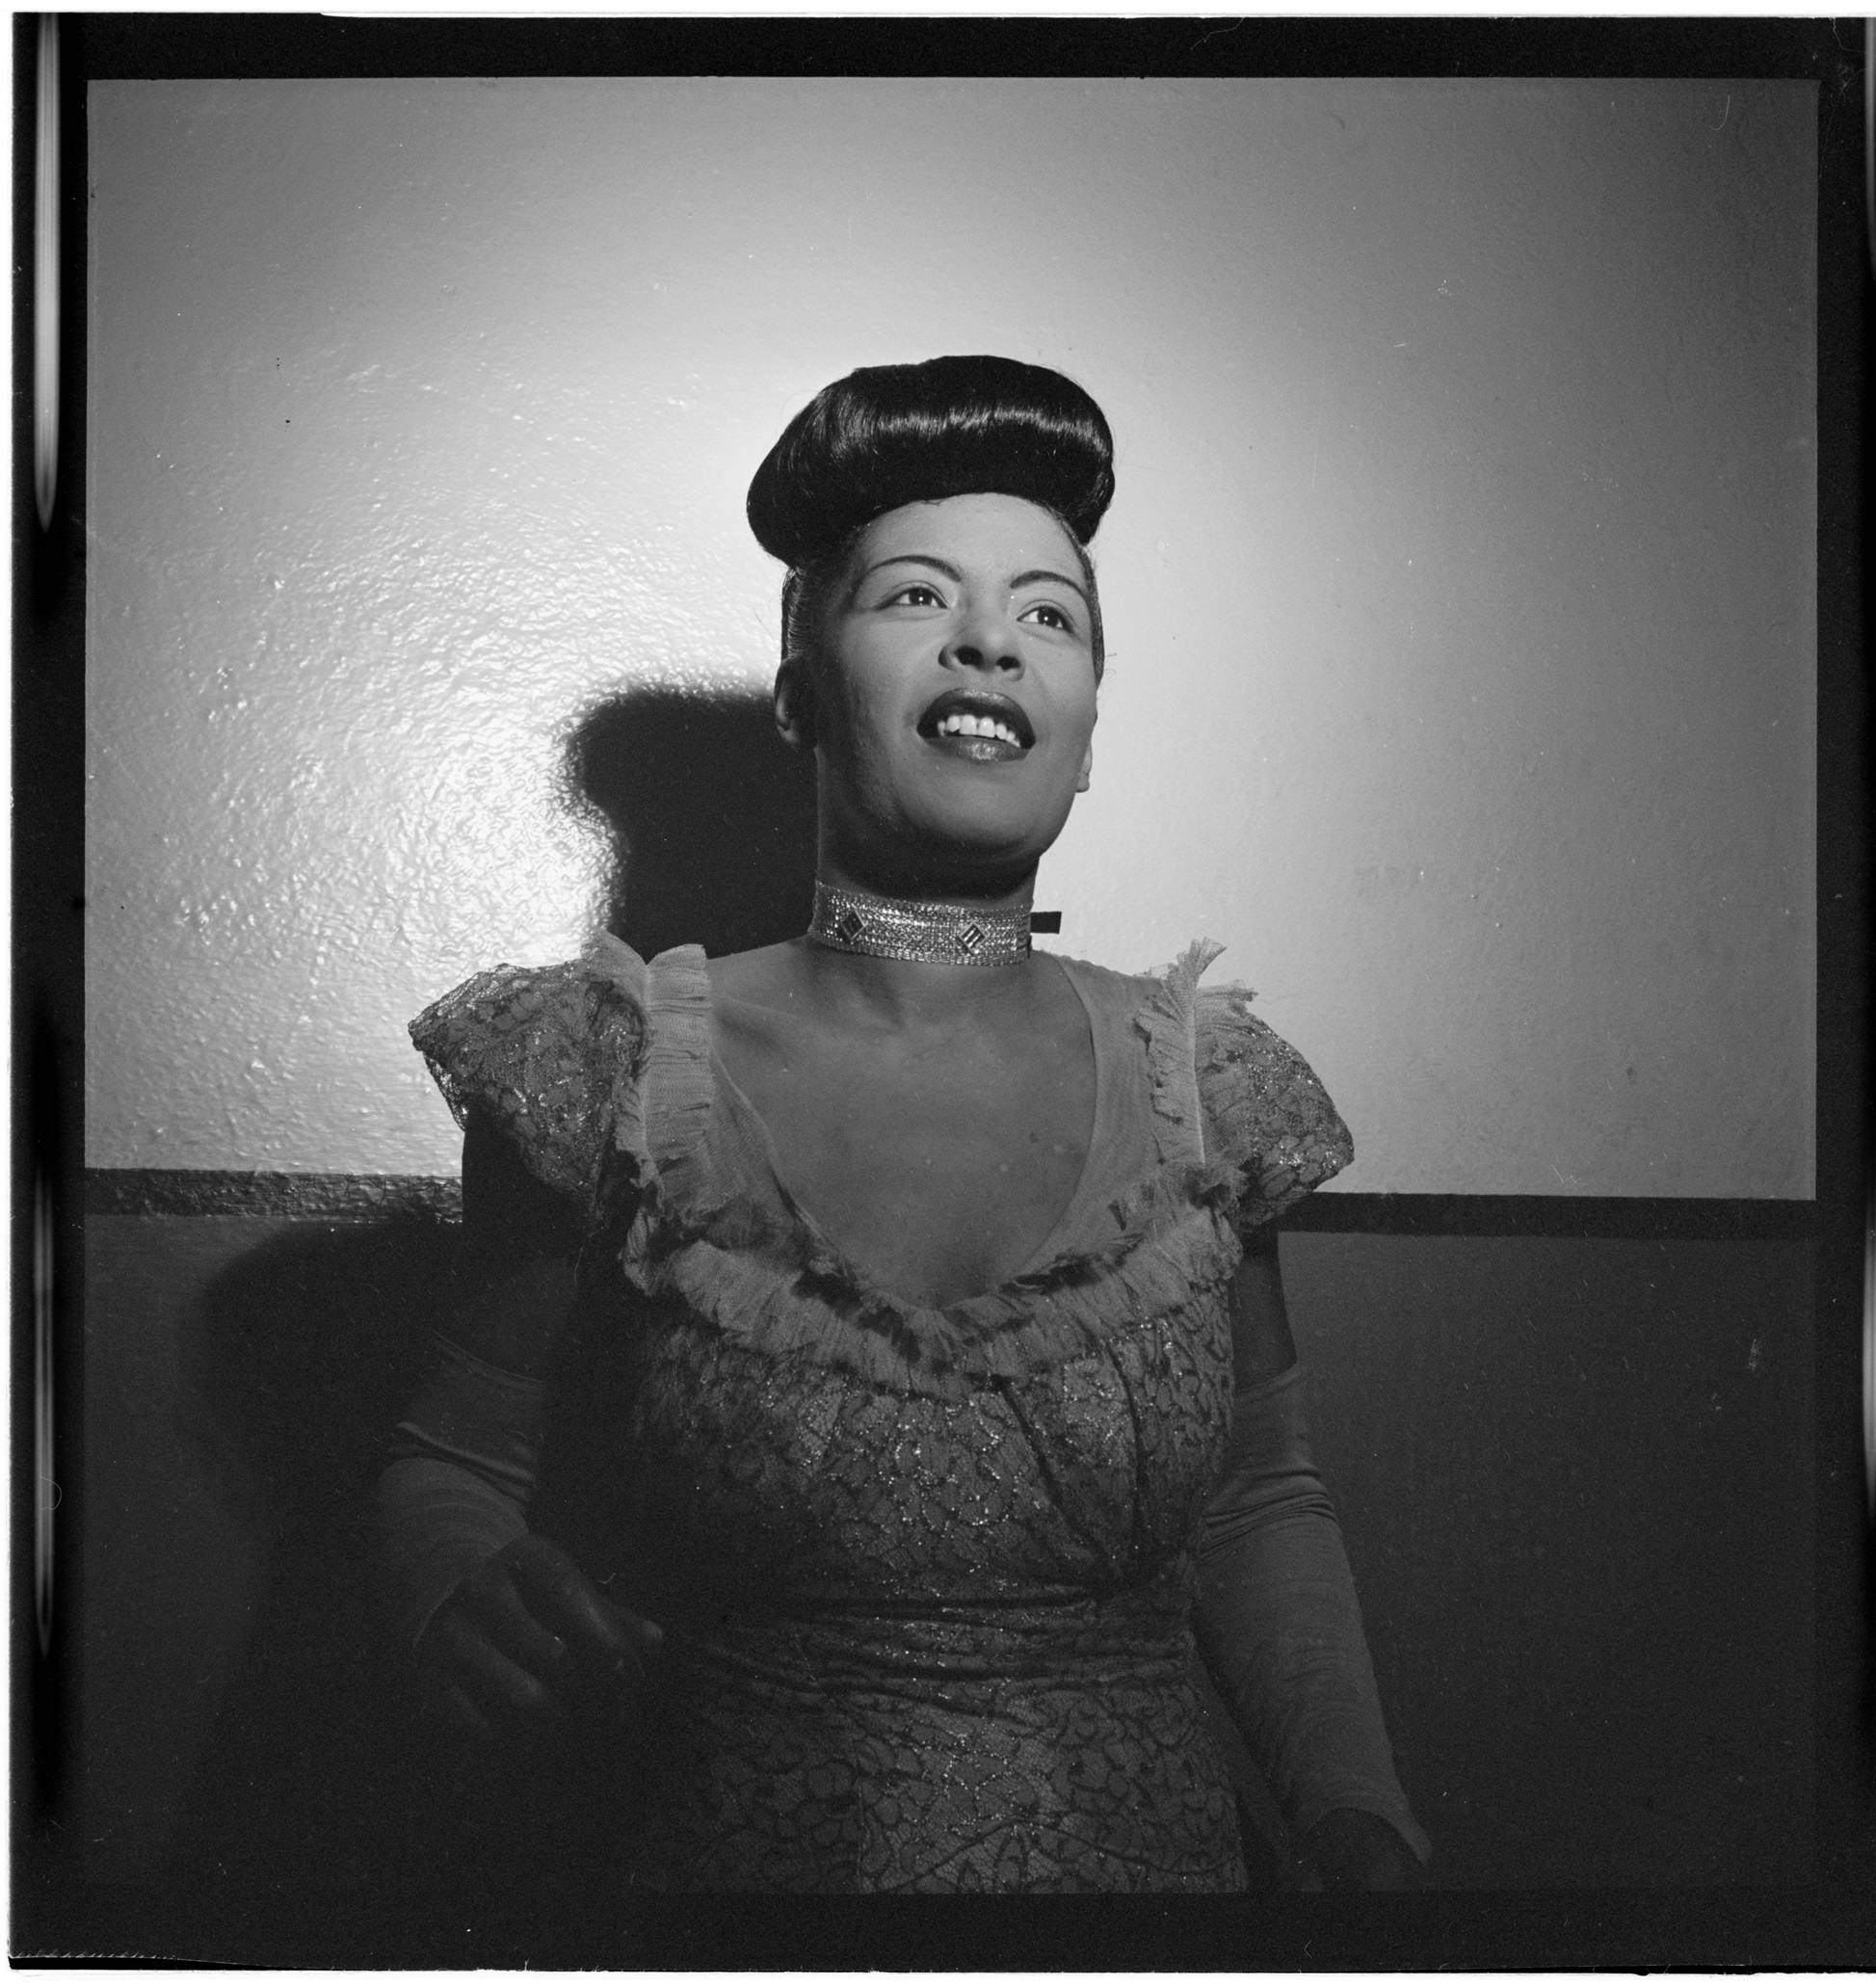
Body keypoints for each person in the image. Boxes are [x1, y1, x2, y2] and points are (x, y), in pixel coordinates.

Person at [379, 355, 1428, 1894]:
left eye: (1050, 614)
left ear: (1088, 720)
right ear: (803, 681)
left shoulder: (1206, 1085)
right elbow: (448, 1463)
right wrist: (450, 1595)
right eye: (918, 597)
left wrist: (1359, 1822)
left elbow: (1265, 1497)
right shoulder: (601, 1062)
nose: (993, 640)